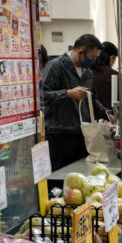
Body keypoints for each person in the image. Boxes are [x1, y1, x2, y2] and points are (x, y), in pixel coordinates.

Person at [42, 34, 110, 171]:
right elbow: (42, 96)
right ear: (80, 52)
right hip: (60, 136)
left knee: (82, 176)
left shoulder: (87, 73)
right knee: (61, 179)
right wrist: (67, 93)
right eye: (92, 57)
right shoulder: (56, 67)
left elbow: (92, 99)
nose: (94, 61)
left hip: (82, 135)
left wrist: (106, 113)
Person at [92, 41, 120, 110]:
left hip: (92, 117)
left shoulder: (88, 73)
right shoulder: (114, 75)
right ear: (112, 58)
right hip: (112, 116)